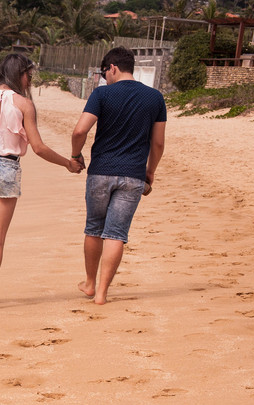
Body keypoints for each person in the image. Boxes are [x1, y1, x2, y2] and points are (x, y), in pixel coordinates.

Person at [0, 53, 83, 312]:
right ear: (20, 74)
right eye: (29, 76)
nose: (29, 80)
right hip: (6, 168)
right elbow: (39, 148)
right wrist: (68, 163)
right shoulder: (24, 105)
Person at [71, 46, 167, 305]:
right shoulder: (155, 97)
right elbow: (158, 144)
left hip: (101, 171)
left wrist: (75, 155)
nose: (105, 78)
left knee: (94, 229)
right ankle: (102, 294)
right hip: (133, 175)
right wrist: (150, 171)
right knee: (116, 234)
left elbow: (80, 131)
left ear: (112, 67)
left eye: (105, 73)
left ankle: (90, 284)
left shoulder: (102, 94)